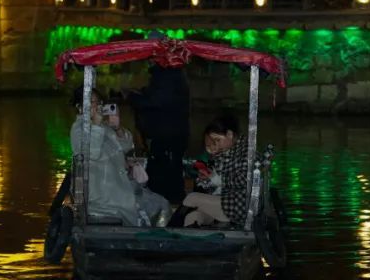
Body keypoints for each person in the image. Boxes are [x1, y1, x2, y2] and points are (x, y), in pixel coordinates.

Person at [70, 86, 169, 227]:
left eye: (99, 102)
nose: (98, 106)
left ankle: (156, 237)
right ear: (80, 108)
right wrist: (97, 125)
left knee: (162, 206)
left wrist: (118, 129)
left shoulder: (103, 126)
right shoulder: (79, 129)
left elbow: (126, 146)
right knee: (158, 209)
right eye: (92, 102)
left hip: (121, 188)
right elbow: (91, 153)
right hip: (104, 197)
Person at [127, 58, 190, 205]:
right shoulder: (169, 73)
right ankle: (167, 205)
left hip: (167, 136)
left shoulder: (166, 74)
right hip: (168, 135)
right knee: (166, 173)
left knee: (165, 176)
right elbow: (157, 96)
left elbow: (157, 101)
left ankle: (168, 208)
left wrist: (132, 97)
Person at [179, 114, 253, 227]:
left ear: (230, 135)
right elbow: (217, 180)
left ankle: (172, 229)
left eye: (218, 140)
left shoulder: (246, 151)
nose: (216, 145)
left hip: (237, 206)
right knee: (193, 217)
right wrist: (208, 178)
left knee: (191, 198)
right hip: (221, 201)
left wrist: (215, 179)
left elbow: (244, 180)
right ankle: (188, 235)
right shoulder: (226, 151)